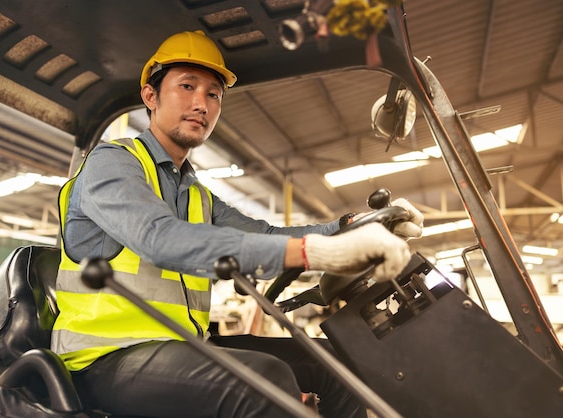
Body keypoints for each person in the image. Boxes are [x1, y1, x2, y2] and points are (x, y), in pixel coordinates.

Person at [51, 30, 423, 418]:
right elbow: (159, 238)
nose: (201, 104)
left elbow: (264, 236)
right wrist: (314, 252)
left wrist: (354, 228)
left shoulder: (195, 194)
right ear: (150, 96)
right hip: (103, 358)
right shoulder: (112, 163)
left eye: (213, 94)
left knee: (337, 362)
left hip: (182, 345)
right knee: (265, 379)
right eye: (187, 86)